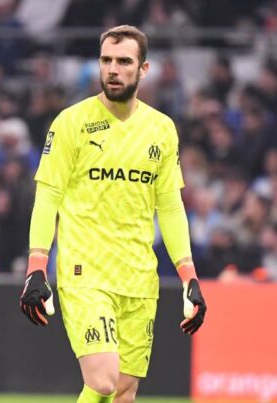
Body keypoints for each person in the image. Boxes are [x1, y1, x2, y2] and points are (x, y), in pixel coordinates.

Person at [18, 25, 207, 403]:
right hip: (86, 272)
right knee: (103, 379)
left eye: (123, 61)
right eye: (106, 60)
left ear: (144, 69)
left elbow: (169, 207)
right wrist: (36, 267)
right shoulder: (71, 123)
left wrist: (189, 277)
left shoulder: (161, 130)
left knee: (123, 391)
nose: (113, 69)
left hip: (139, 277)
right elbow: (48, 198)